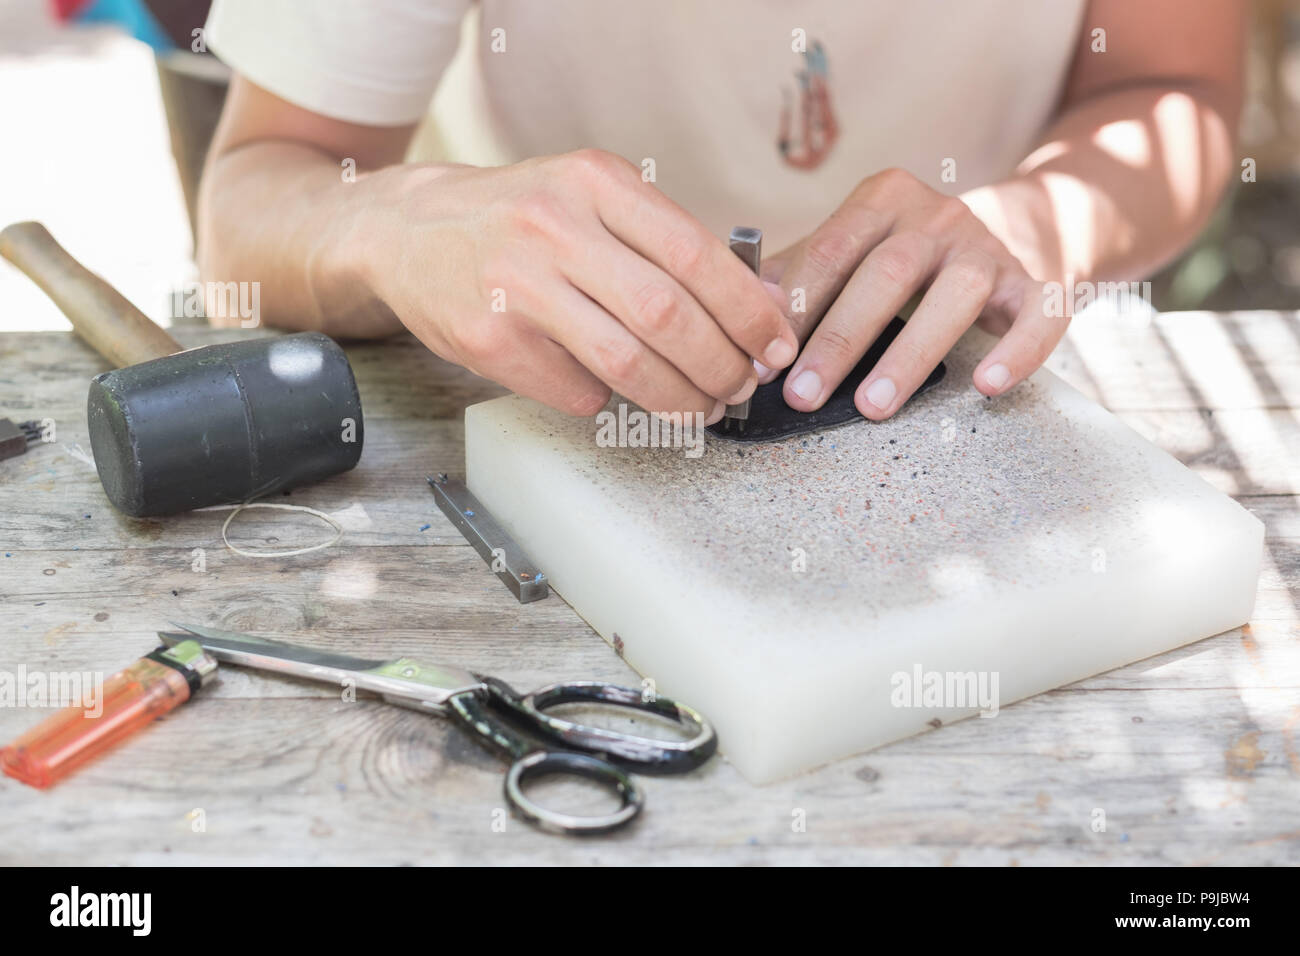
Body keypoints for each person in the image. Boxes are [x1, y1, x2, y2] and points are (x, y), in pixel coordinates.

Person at [197, 0, 1244, 425]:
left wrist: (1037, 224)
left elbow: (1174, 92)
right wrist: (395, 224)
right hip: (562, 390)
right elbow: (255, 195)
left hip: (968, 374)